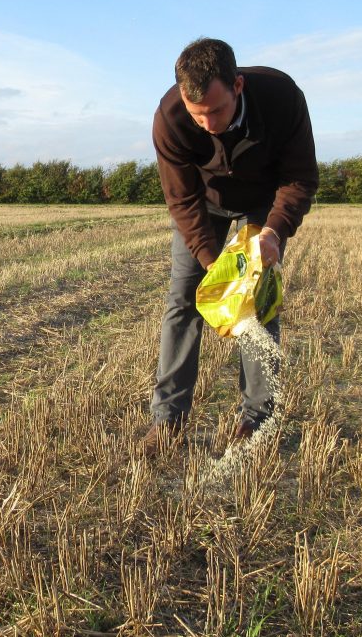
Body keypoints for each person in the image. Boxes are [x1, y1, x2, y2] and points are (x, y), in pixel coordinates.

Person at [143, 37, 318, 457]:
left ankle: (258, 420)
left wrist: (273, 232)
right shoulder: (169, 118)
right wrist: (212, 262)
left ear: (238, 86)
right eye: (197, 114)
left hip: (262, 204)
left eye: (216, 111)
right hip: (203, 206)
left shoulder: (282, 98)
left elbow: (300, 179)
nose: (207, 123)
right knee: (184, 299)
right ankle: (168, 420)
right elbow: (181, 200)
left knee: (257, 303)